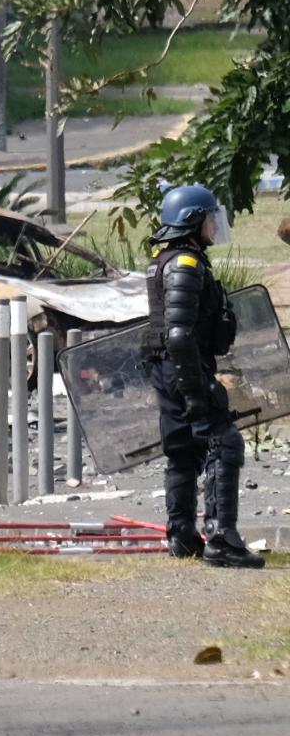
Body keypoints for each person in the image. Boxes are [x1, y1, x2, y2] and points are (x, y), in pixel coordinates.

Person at [141, 183, 261, 568]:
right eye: (210, 218)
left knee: (183, 450)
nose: (214, 226)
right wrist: (196, 390)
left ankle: (182, 535)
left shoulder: (165, 259)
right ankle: (222, 538)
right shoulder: (185, 265)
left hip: (167, 368)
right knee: (224, 442)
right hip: (183, 367)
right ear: (193, 221)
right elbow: (179, 333)